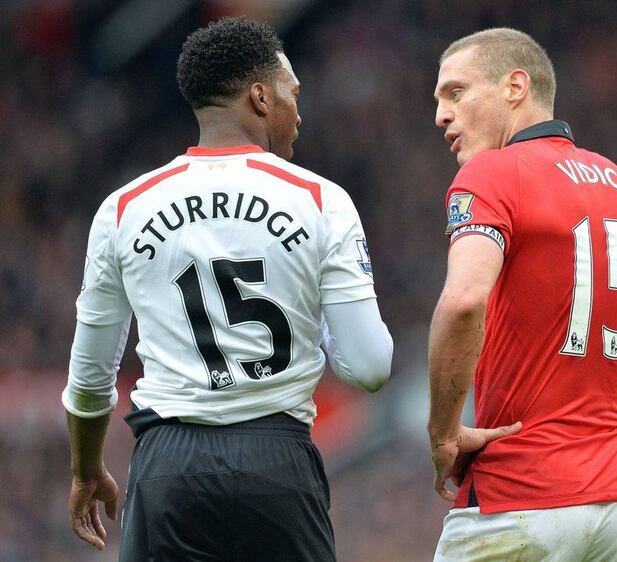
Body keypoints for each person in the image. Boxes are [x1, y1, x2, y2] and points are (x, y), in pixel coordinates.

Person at [62, 17, 392, 562]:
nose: (299, 113)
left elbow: (90, 379)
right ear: (260, 98)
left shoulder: (123, 207)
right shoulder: (321, 201)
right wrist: (320, 322)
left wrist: (85, 469)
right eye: (293, 94)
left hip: (167, 466)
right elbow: (371, 366)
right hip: (277, 462)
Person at [428, 28, 617, 561]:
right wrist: (609, 421)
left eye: (455, 92)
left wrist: (443, 435)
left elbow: (462, 302)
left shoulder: (493, 172)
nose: (441, 115)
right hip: (615, 503)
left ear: (515, 87)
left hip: (517, 497)